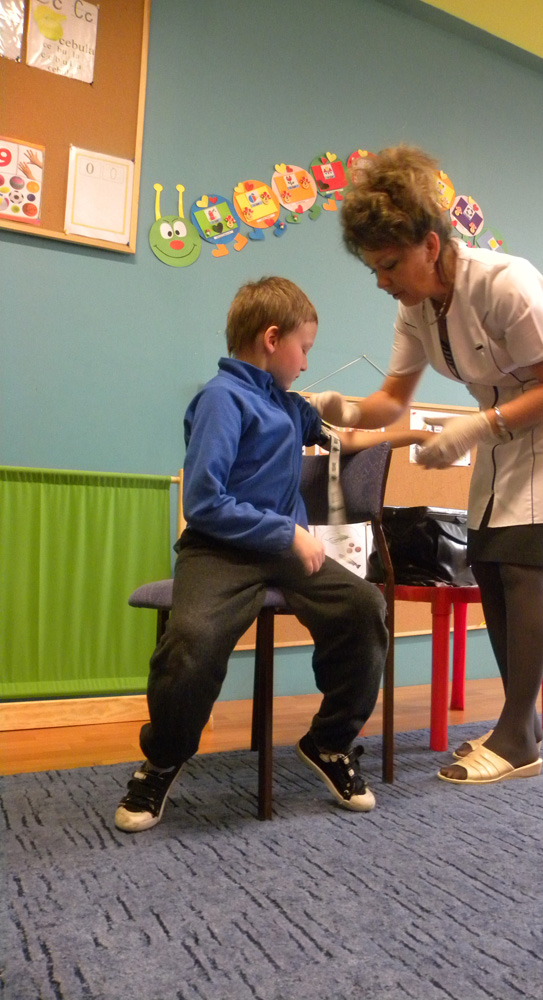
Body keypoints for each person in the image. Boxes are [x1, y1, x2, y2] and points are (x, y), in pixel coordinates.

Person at [310, 145, 543, 786]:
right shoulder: (415, 308)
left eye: (389, 264)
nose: (382, 280)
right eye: (372, 268)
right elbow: (392, 399)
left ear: (430, 244)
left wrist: (476, 427)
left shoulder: (505, 283)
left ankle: (517, 737)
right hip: (505, 422)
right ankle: (521, 724)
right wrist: (341, 407)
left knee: (520, 563)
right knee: (487, 561)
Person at [115, 275, 433, 832]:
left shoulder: (287, 406)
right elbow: (204, 501)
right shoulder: (221, 400)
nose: (307, 363)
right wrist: (286, 533)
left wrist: (412, 438)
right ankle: (161, 760)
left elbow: (344, 441)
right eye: (303, 348)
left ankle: (328, 743)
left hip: (285, 551)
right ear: (270, 339)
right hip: (220, 549)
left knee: (364, 608)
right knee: (192, 642)